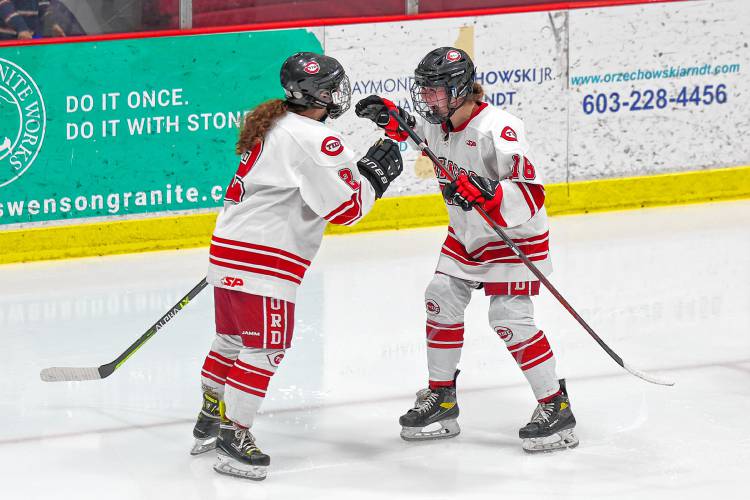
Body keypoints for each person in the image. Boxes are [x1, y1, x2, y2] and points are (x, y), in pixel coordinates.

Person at [191, 52, 403, 480]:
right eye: (334, 86)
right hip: (265, 259)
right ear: (321, 94)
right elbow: (346, 209)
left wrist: (361, 172)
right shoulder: (315, 138)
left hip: (229, 248)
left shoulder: (273, 122)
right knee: (266, 348)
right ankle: (234, 437)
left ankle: (210, 418)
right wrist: (376, 177)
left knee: (231, 339)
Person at [355, 47, 578, 453]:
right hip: (468, 235)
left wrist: (489, 191)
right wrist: (392, 118)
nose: (427, 100)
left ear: (459, 90)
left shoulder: (499, 127)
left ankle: (555, 405)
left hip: (514, 236)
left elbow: (532, 193)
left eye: (434, 91)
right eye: (423, 92)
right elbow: (415, 130)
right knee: (440, 297)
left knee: (509, 319)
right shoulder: (439, 123)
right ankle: (441, 398)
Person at [0, 0, 65, 40]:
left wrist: (53, 24)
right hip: (7, 40)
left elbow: (44, 6)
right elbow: (4, 6)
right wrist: (22, 28)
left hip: (31, 39)